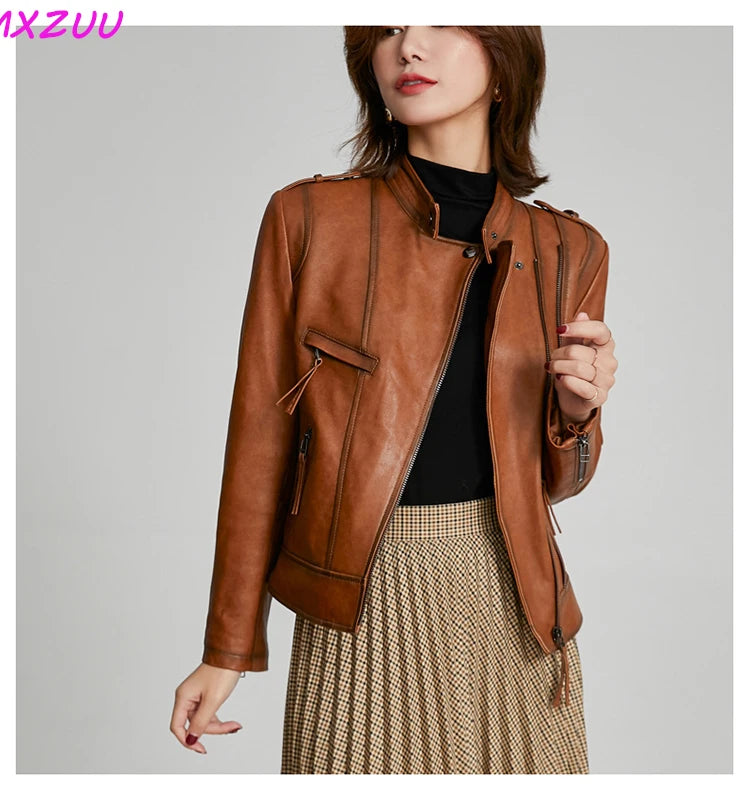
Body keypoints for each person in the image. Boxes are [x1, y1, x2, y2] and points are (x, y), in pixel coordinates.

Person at [170, 25, 617, 774]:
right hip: (361, 603)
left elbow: (556, 483)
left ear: (505, 62)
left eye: (443, 21)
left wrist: (577, 416)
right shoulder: (310, 219)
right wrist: (228, 647)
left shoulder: (572, 249)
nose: (409, 46)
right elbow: (259, 442)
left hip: (515, 605)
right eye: (387, 28)